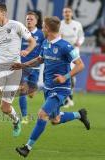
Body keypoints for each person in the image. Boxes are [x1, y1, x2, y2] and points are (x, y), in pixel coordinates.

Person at [11, 16, 90, 157]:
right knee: (55, 120)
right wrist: (23, 65)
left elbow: (80, 65)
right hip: (48, 88)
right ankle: (79, 114)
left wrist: (64, 77)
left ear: (47, 28)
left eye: (43, 26)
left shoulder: (65, 46)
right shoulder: (46, 43)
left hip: (61, 89)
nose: (42, 28)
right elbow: (40, 59)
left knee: (42, 114)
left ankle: (27, 148)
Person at [0, 2, 36, 145]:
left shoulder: (16, 26)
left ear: (3, 13)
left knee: (5, 108)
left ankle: (16, 120)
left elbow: (32, 41)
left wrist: (27, 51)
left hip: (14, 70)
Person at [19, 11, 45, 124]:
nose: (29, 21)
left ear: (36, 21)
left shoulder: (41, 34)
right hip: (22, 66)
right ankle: (24, 117)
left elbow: (45, 48)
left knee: (31, 94)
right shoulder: (20, 33)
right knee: (22, 90)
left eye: (31, 19)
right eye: (27, 19)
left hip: (35, 68)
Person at [59, 6, 85, 108]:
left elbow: (82, 36)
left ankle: (69, 97)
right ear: (63, 14)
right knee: (65, 74)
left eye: (69, 12)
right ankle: (67, 98)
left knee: (72, 76)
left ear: (72, 13)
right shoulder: (60, 24)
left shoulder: (77, 24)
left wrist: (80, 42)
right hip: (63, 52)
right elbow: (58, 37)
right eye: (65, 12)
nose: (67, 13)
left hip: (74, 52)